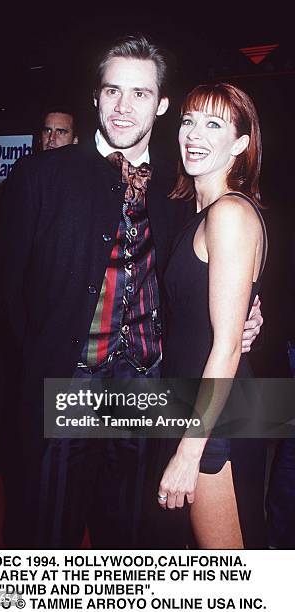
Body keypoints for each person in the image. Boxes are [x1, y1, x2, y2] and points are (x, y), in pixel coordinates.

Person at [0, 37, 262, 548]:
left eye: (140, 94)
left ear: (161, 104)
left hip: (147, 393)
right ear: (96, 97)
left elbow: (201, 277)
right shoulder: (41, 175)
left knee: (131, 540)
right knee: (47, 537)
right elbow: (4, 290)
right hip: (68, 390)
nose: (124, 107)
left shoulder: (180, 189)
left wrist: (247, 310)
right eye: (113, 91)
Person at [157, 83, 267, 549]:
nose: (194, 134)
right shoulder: (195, 213)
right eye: (188, 121)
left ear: (240, 145)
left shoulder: (230, 214)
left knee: (231, 577)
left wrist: (189, 449)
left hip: (215, 417)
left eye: (214, 124)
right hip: (193, 402)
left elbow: (224, 346)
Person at [0, 105, 79, 482]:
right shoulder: (21, 175)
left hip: (51, 318)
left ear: (75, 139)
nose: (50, 139)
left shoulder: (83, 186)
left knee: (43, 404)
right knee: (0, 388)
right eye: (46, 131)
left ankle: (39, 469)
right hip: (8, 310)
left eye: (60, 132)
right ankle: (3, 454)